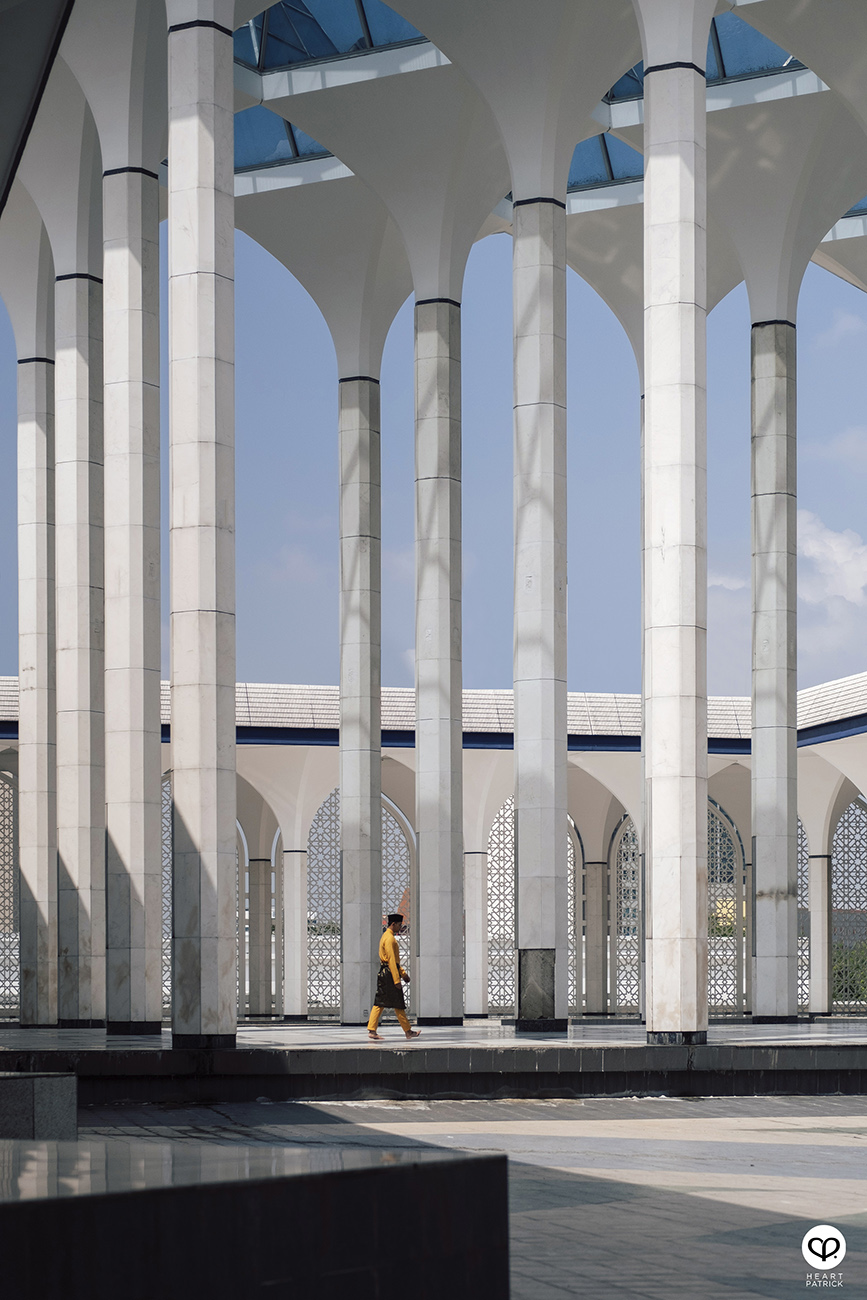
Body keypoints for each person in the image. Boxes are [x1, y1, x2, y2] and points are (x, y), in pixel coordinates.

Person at [367, 913, 421, 1042]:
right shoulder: (390, 939)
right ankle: (407, 1031)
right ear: (393, 924)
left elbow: (394, 962)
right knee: (393, 1003)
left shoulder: (385, 937)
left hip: (386, 972)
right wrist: (397, 979)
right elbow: (392, 961)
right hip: (389, 974)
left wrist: (403, 974)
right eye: (399, 925)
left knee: (383, 1002)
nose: (400, 927)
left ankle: (373, 1029)